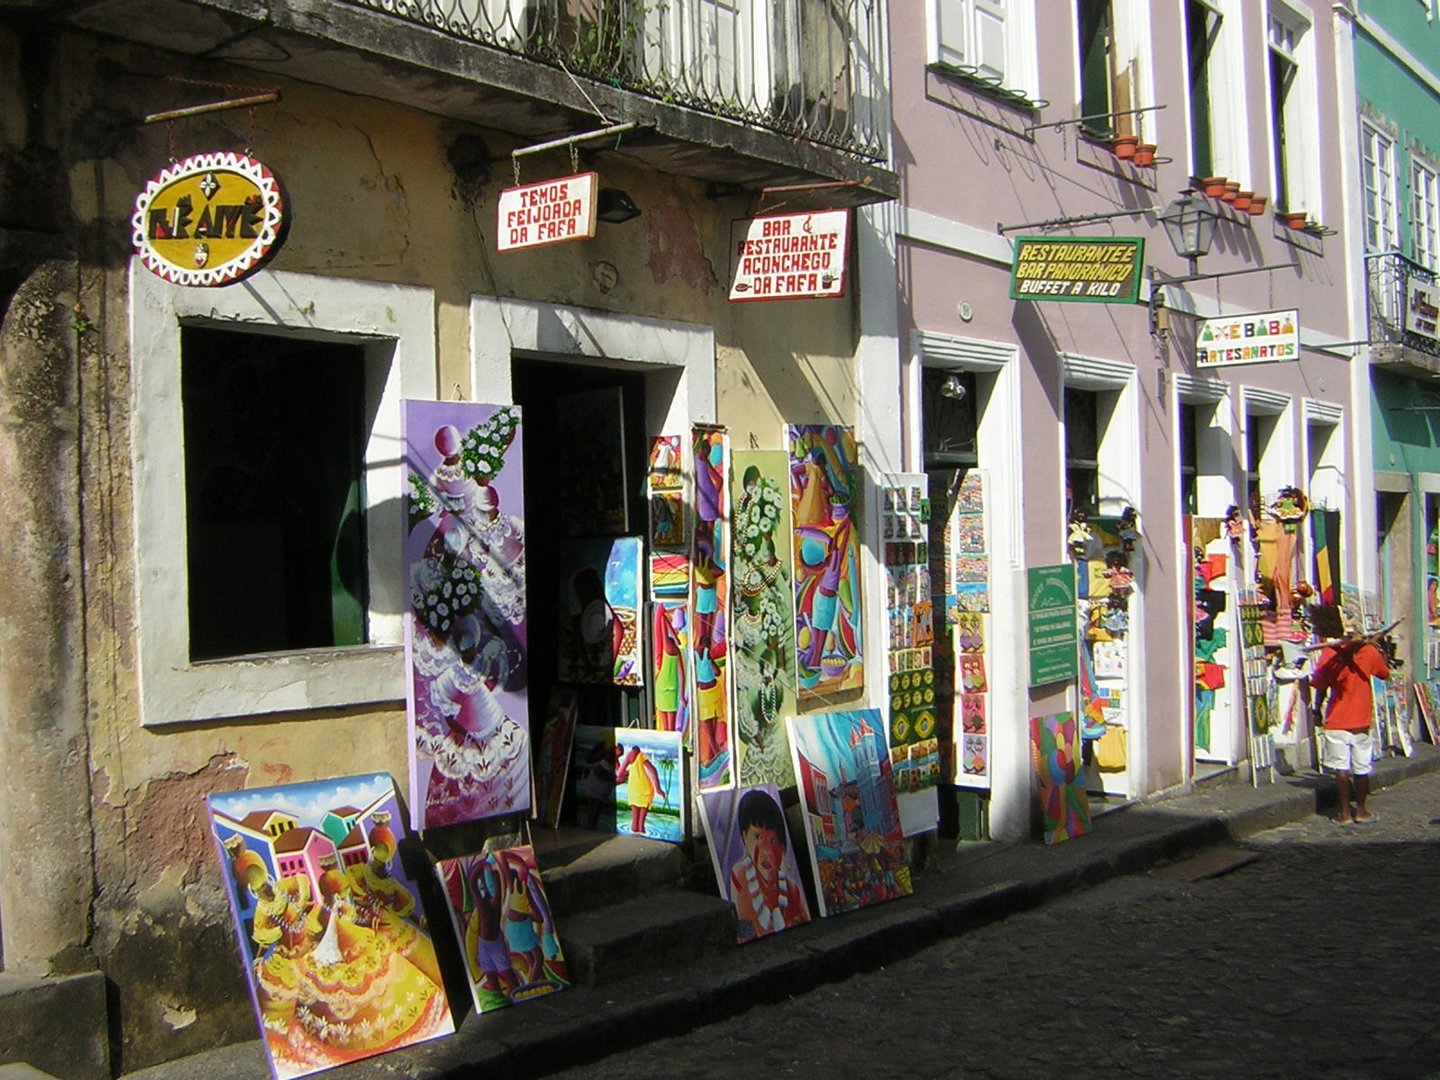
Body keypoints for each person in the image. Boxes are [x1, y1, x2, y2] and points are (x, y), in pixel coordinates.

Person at [1309, 605, 1389, 824]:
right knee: (1362, 767)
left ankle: (1344, 813)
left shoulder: (1329, 653)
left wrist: (1316, 711)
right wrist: (1379, 649)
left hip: (1335, 719)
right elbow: (1384, 673)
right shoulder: (1369, 653)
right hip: (1360, 720)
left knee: (1341, 768)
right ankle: (1361, 811)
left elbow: (1320, 686)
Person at [728, 788, 808, 941]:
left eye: (772, 841)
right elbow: (746, 934)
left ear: (782, 847)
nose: (766, 851)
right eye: (757, 837)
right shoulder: (740, 877)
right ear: (745, 836)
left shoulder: (793, 891)